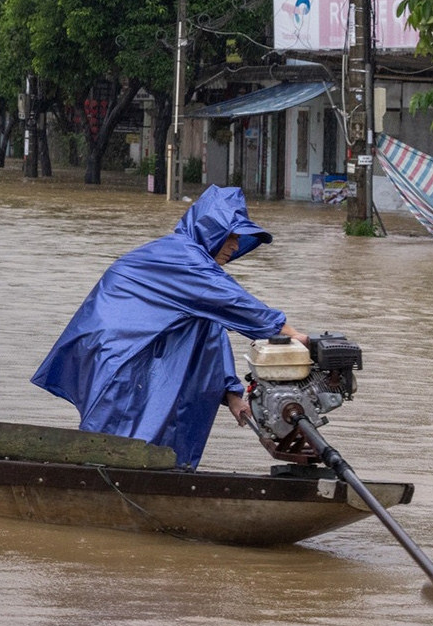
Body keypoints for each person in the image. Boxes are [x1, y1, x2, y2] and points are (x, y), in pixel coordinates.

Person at [30, 186, 308, 470]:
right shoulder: (183, 258)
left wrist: (233, 394)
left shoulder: (195, 271)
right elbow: (238, 304)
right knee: (120, 437)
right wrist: (294, 335)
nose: (236, 246)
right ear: (213, 231)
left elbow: (212, 332)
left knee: (162, 442)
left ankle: (160, 477)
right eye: (232, 237)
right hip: (124, 357)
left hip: (145, 358)